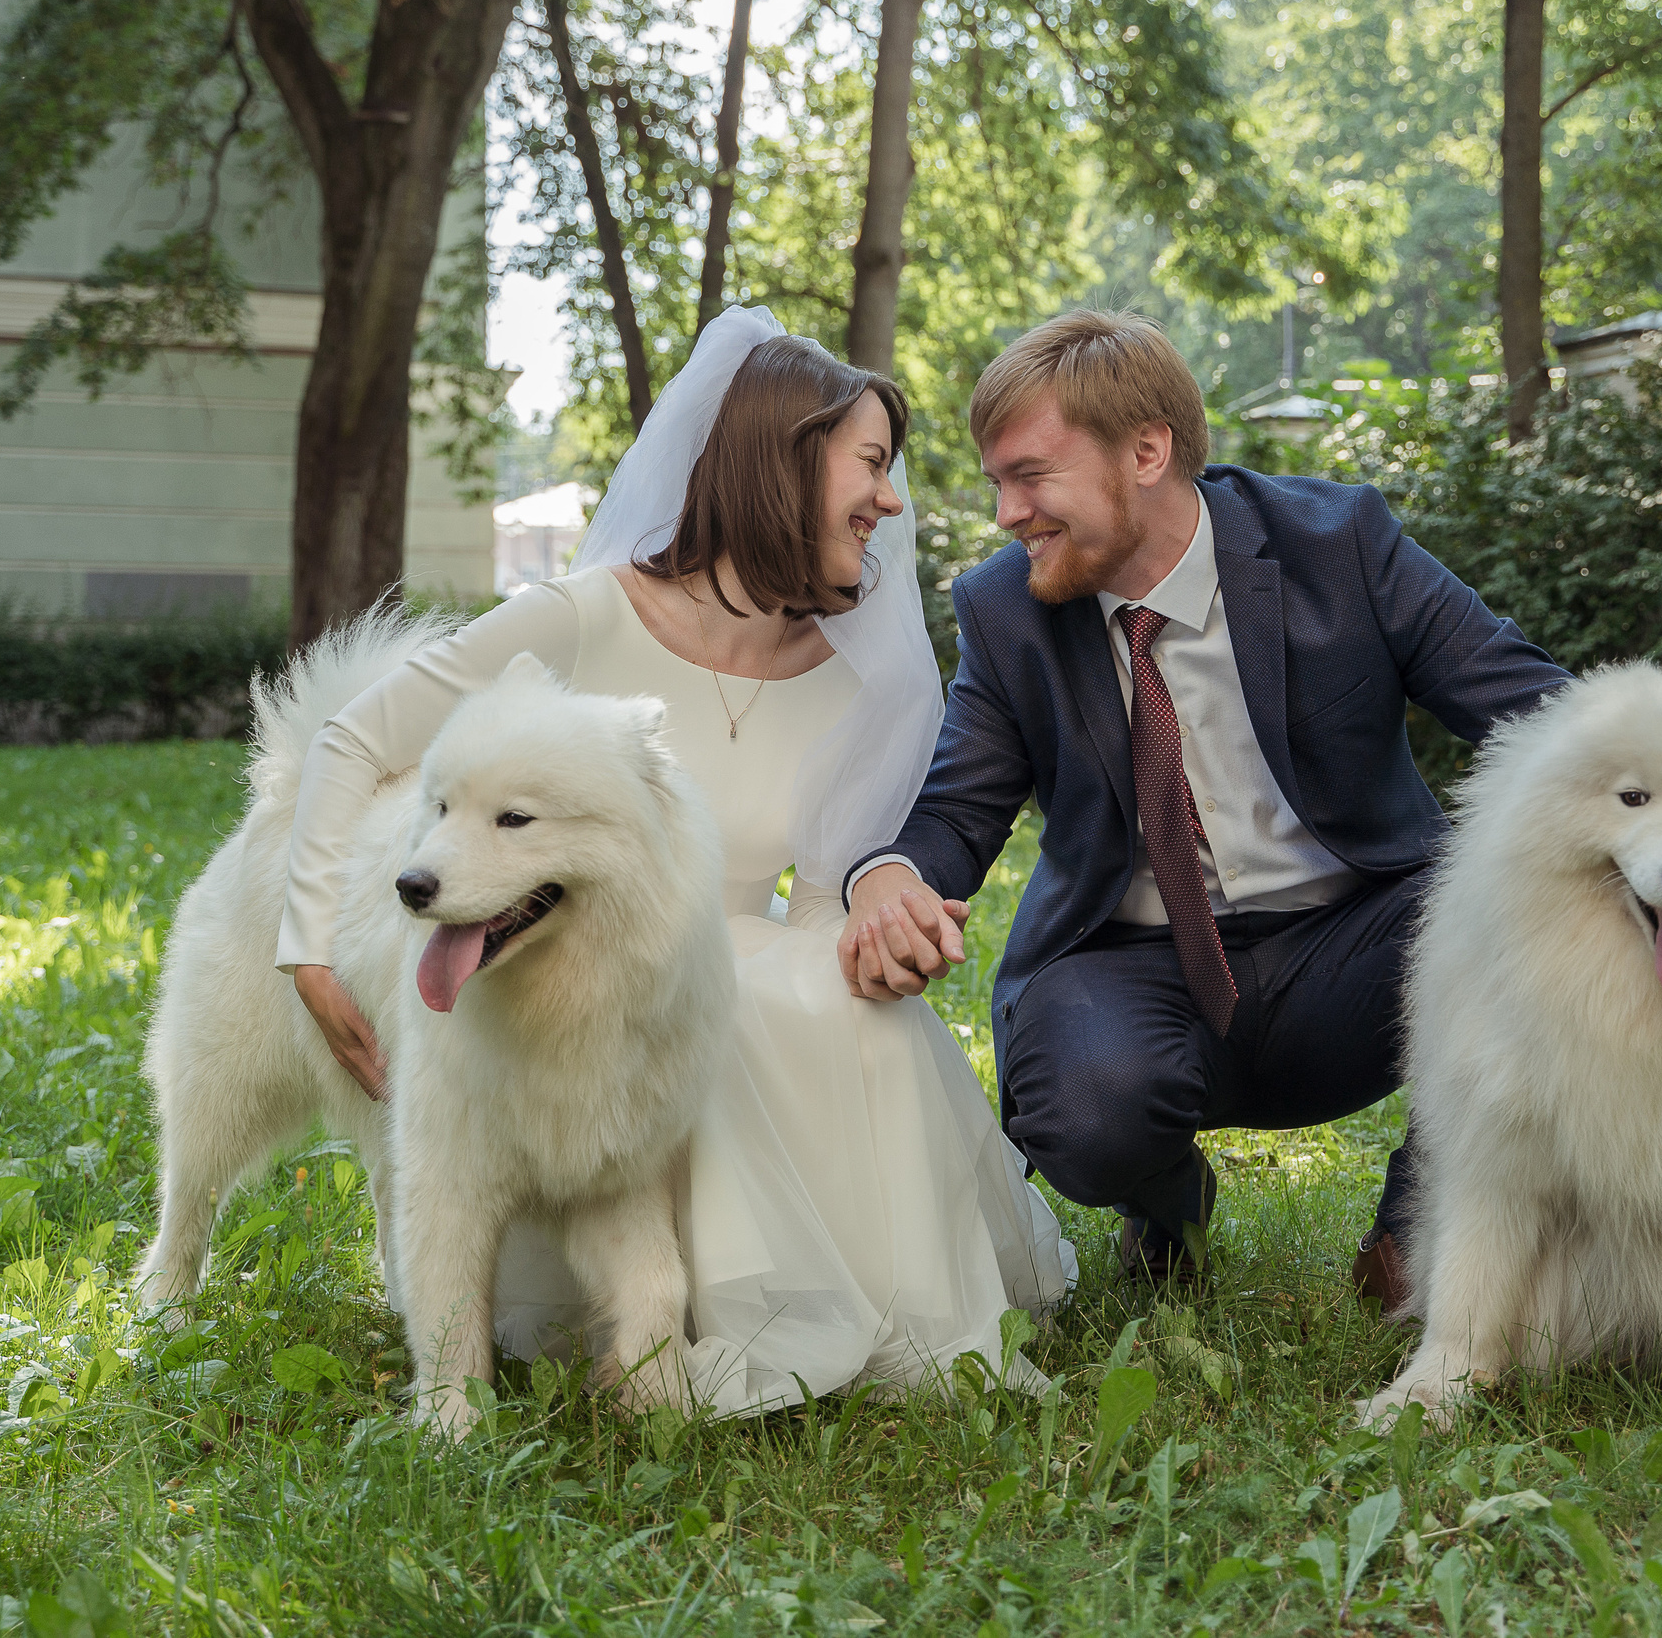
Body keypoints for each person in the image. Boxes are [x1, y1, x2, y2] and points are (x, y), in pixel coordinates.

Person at [278, 308, 1075, 1415]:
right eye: (872, 464)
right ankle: (667, 1317)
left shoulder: (856, 677)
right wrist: (307, 945)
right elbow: (352, 739)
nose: (891, 500)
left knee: (834, 1006)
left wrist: (877, 918)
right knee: (712, 990)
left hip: (723, 972)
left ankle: (848, 1308)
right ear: (784, 462)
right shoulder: (581, 617)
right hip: (580, 989)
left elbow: (834, 887)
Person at [837, 309, 1571, 1300]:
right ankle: (1167, 1203)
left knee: (1547, 911)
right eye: (994, 481)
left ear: (1146, 451)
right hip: (1132, 961)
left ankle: (1413, 1227)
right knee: (1085, 1117)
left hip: (1362, 947)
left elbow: (1542, 717)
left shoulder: (1339, 543)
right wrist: (889, 877)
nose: (1007, 514)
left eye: (1030, 476)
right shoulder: (1006, 611)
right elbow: (955, 813)